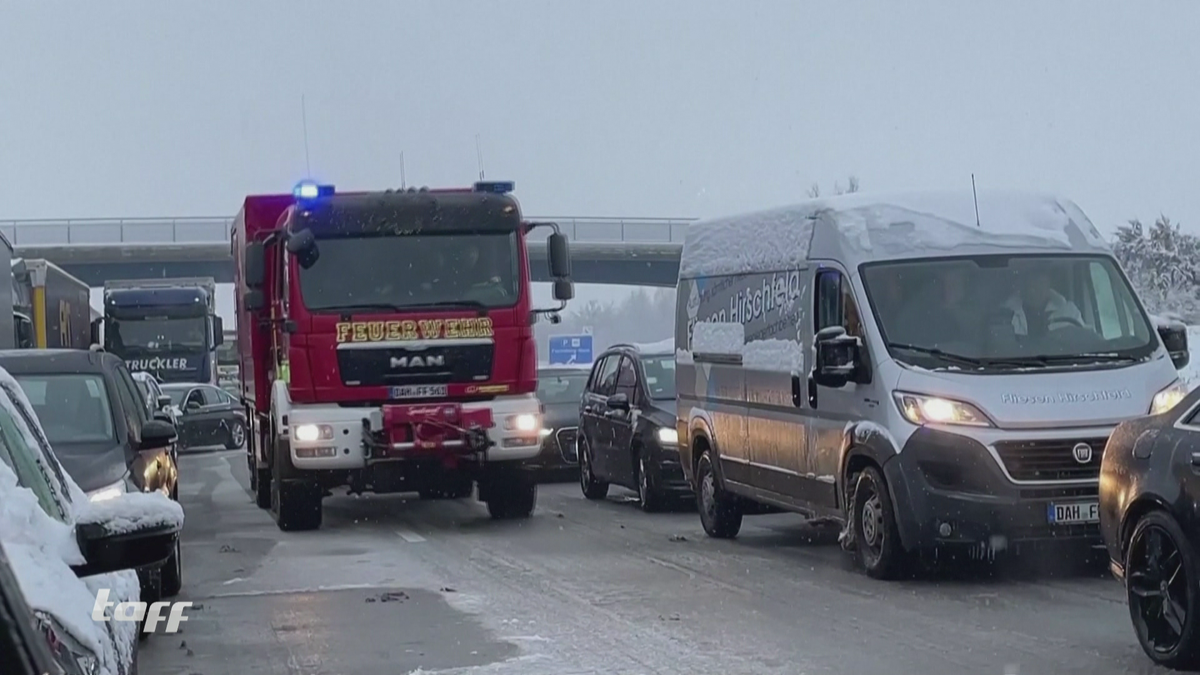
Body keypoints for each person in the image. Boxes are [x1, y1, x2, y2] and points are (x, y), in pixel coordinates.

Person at [1003, 268, 1084, 337]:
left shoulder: (1069, 312)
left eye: (1040, 283)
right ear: (1023, 285)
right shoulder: (1006, 313)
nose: (1033, 290)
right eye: (1030, 284)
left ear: (1049, 284)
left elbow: (1083, 341)